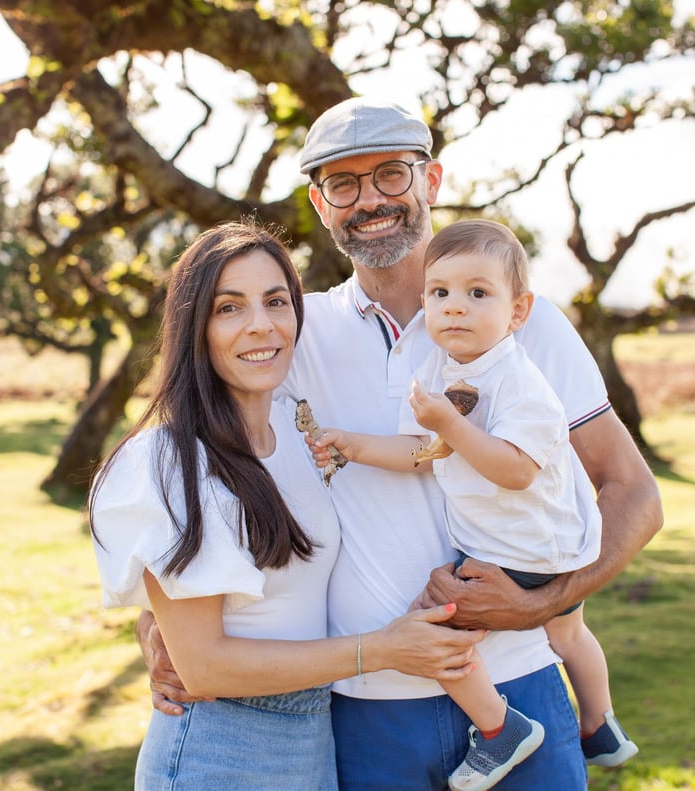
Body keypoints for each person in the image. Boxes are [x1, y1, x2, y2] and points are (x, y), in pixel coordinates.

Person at [136, 99, 663, 790]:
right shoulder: (294, 330)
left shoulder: (521, 324)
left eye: (391, 174)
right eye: (344, 184)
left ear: (432, 181)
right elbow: (197, 459)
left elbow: (636, 494)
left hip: (517, 687)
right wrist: (158, 623)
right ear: (321, 205)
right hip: (363, 710)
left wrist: (545, 600)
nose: (370, 200)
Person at [89, 220, 483, 790]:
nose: (261, 325)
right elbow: (203, 667)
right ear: (193, 327)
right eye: (229, 308)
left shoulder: (295, 433)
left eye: (276, 301)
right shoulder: (170, 459)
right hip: (220, 748)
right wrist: (384, 649)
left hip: (313, 740)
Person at [307, 219, 639, 790]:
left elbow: (512, 468)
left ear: (517, 312)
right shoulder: (444, 367)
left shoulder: (519, 380)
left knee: (435, 615)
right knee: (569, 634)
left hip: (527, 549)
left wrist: (449, 424)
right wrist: (354, 445)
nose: (454, 308)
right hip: (534, 543)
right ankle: (601, 724)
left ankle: (500, 729)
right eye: (440, 295)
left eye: (476, 294)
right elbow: (426, 449)